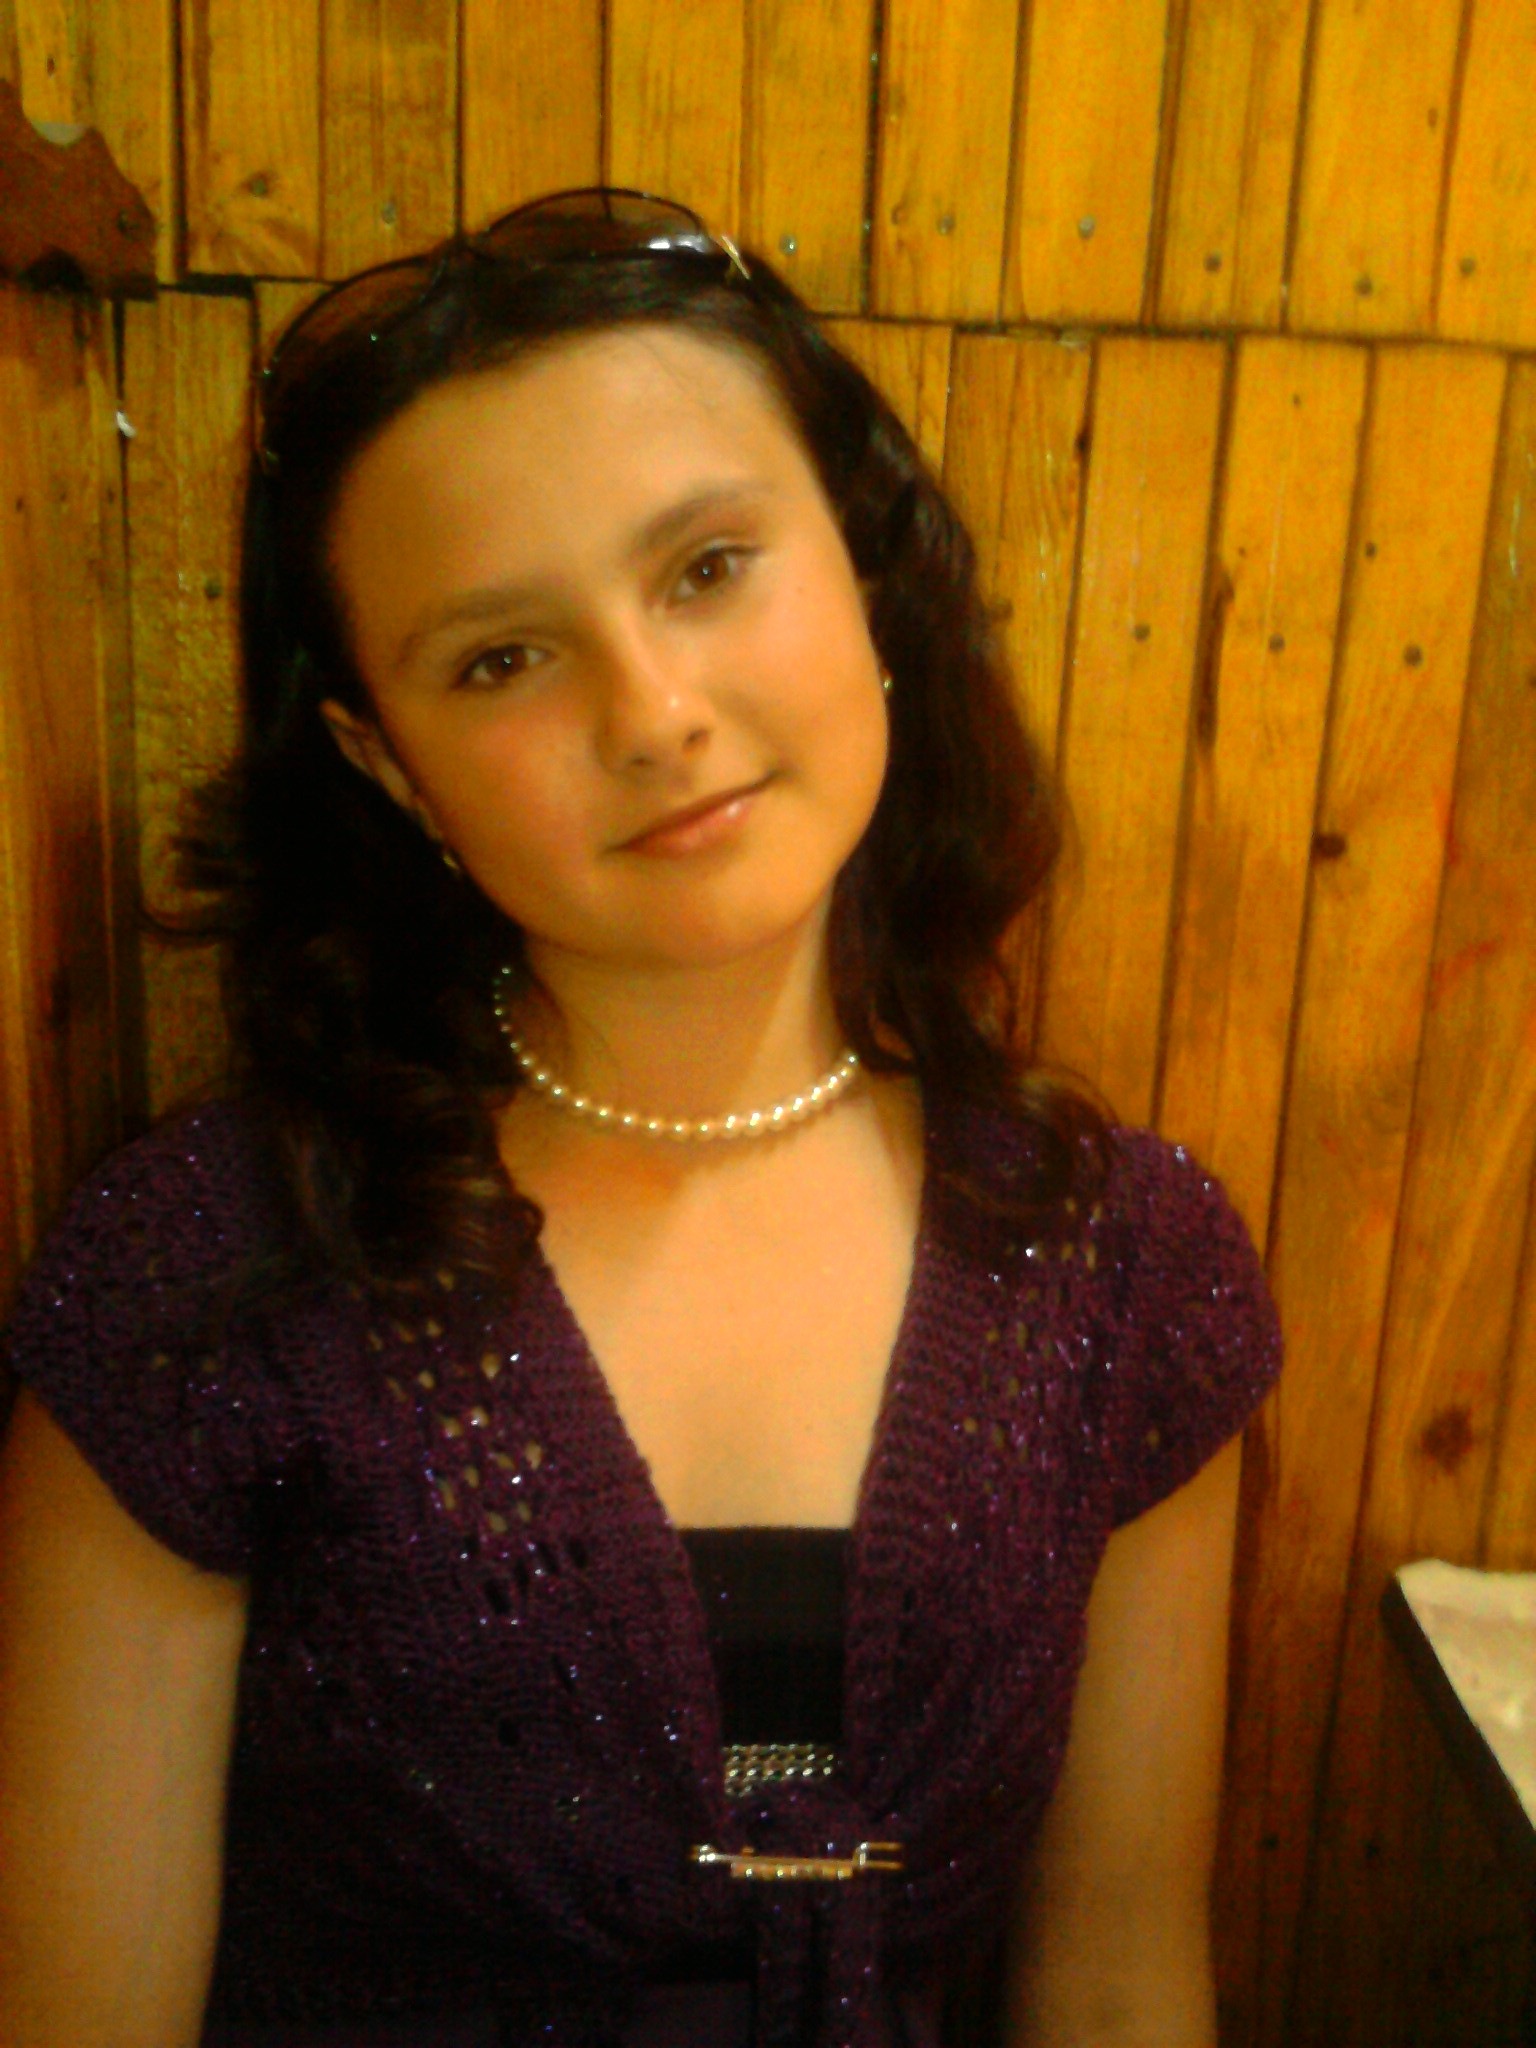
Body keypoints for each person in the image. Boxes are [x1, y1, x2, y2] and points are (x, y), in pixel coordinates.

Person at [0, 190, 1281, 2047]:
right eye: (501, 659)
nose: (654, 711)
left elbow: (1119, 1971)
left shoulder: (1127, 1267)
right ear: (389, 764)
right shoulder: (200, 1283)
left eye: (707, 568)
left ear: (866, 571)